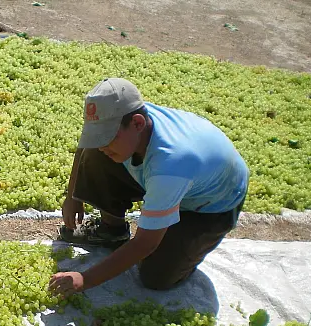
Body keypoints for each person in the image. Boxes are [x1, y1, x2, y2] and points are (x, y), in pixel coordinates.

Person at [48, 78, 249, 298]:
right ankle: (112, 231)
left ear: (137, 123)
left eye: (107, 137)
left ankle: (187, 247)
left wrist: (84, 279)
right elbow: (88, 145)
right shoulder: (127, 118)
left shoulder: (170, 165)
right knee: (97, 155)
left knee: (156, 277)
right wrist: (72, 196)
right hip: (173, 179)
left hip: (211, 205)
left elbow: (144, 244)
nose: (102, 143)